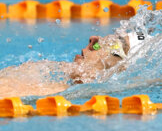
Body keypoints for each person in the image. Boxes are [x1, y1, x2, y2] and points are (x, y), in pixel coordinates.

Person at [0, 30, 148, 97]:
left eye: (115, 44)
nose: (94, 39)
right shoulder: (49, 82)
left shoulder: (53, 93)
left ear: (121, 70)